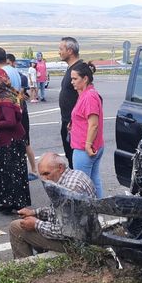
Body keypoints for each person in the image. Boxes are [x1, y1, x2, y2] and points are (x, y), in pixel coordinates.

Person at [8, 152, 96, 258]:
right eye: (42, 175)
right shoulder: (74, 175)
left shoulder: (69, 189)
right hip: (84, 233)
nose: (44, 179)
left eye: (47, 173)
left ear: (60, 168)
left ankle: (25, 268)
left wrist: (36, 224)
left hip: (76, 243)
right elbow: (58, 212)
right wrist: (34, 213)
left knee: (16, 227)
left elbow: (65, 231)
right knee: (29, 222)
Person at [0, 68, 32, 213]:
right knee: (5, 171)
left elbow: (11, 121)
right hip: (6, 140)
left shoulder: (5, 97)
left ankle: (17, 203)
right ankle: (7, 202)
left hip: (12, 140)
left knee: (13, 172)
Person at [69, 61, 104, 198]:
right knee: (94, 181)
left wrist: (88, 145)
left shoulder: (89, 96)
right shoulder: (86, 94)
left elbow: (93, 124)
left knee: (82, 187)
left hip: (85, 148)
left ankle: (88, 216)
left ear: (85, 79)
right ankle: (99, 211)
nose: (72, 82)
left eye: (75, 79)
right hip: (92, 146)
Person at [6, 54, 38, 180]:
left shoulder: (21, 77)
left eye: (9, 63)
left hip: (21, 111)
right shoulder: (5, 76)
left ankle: (34, 169)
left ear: (13, 63)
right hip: (13, 110)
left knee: (26, 142)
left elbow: (23, 96)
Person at [58, 37, 83, 168]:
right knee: (70, 158)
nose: (59, 52)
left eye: (61, 49)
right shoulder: (71, 68)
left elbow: (83, 97)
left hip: (74, 124)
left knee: (76, 161)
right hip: (67, 122)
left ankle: (79, 187)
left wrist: (74, 121)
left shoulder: (79, 69)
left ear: (70, 51)